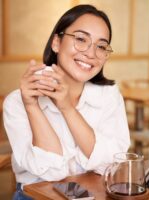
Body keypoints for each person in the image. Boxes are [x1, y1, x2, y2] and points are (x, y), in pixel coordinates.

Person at [3, 4, 130, 200]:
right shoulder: (16, 102)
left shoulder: (108, 95)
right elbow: (51, 172)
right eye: (81, 39)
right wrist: (31, 106)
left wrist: (67, 108)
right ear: (56, 42)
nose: (90, 53)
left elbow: (112, 165)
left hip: (95, 194)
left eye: (101, 46)